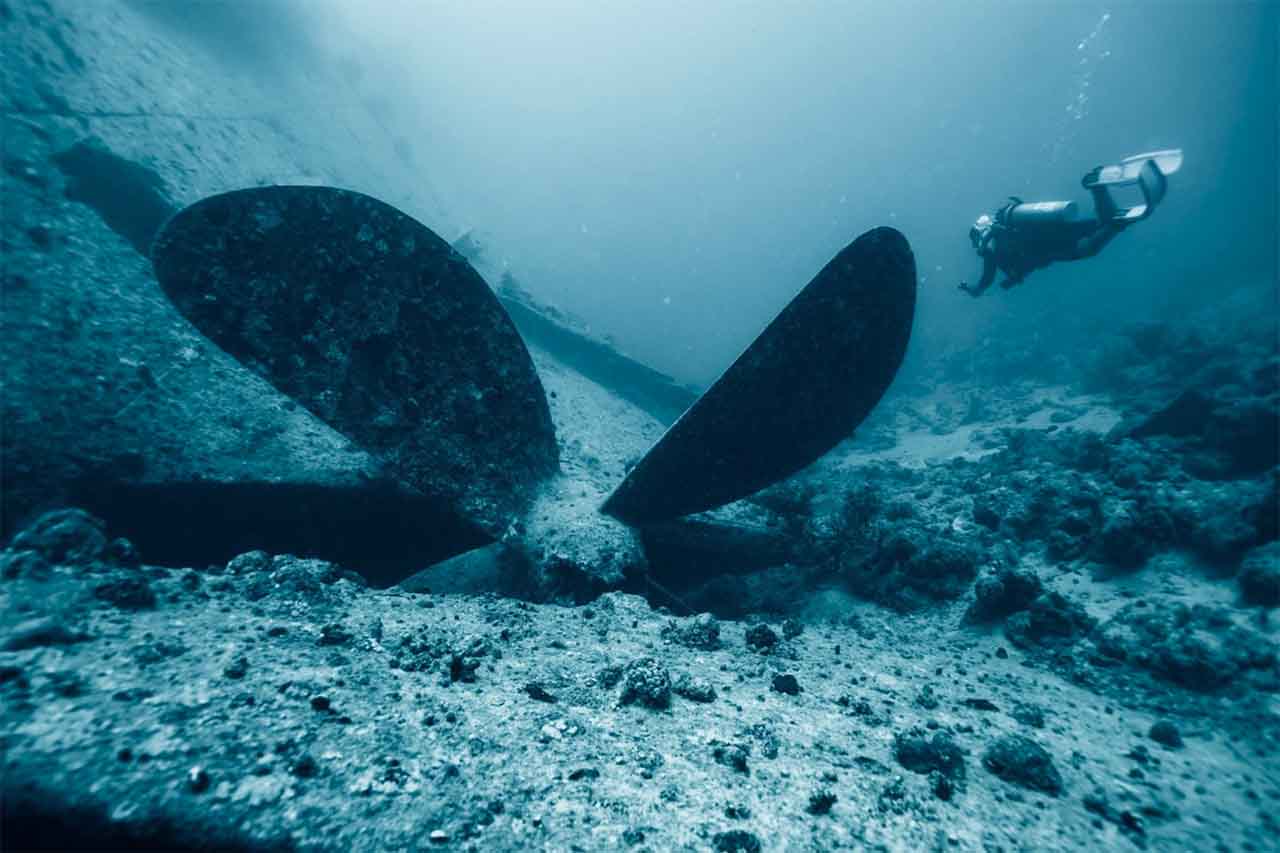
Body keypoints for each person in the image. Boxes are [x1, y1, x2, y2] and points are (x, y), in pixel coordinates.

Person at [960, 150, 1182, 298]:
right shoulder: (1004, 227)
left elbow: (985, 283)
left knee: (1089, 248)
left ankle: (1110, 212)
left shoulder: (990, 251)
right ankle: (1097, 188)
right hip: (1053, 227)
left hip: (1048, 248)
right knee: (1099, 224)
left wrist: (971, 289)